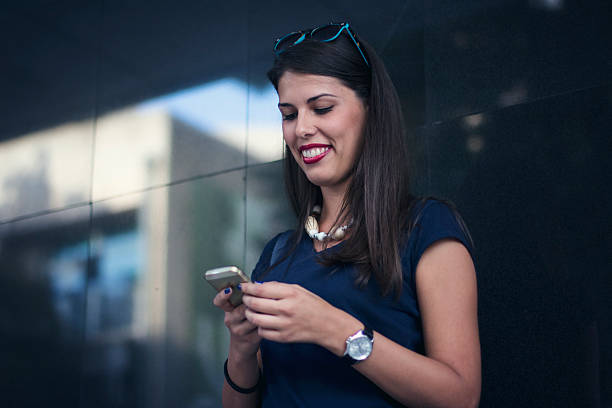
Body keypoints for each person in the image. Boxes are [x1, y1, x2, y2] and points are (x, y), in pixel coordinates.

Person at [213, 22, 480, 408]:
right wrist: (241, 349)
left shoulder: (425, 229)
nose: (302, 129)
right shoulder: (277, 255)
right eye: (288, 114)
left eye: (322, 108)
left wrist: (336, 330)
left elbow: (461, 397)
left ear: (370, 111)